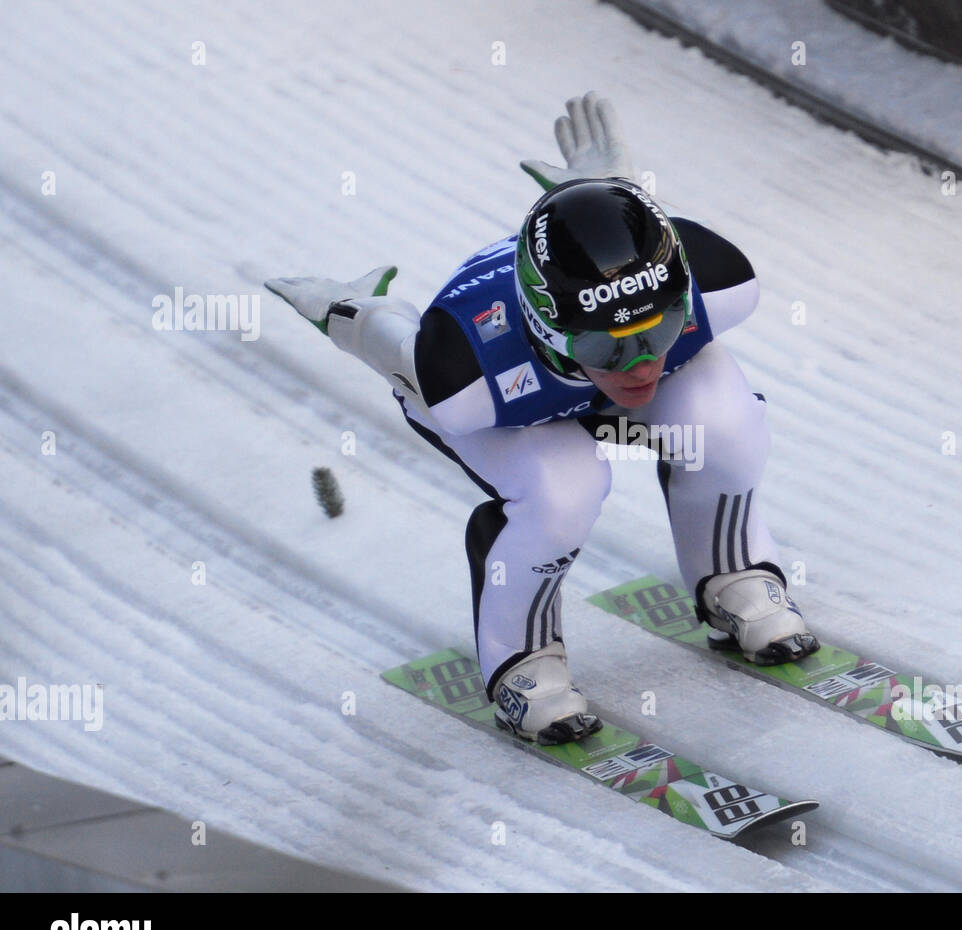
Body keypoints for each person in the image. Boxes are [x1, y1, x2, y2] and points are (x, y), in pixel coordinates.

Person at [266, 92, 818, 745]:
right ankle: (521, 662)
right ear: (546, 333)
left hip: (551, 379)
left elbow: (636, 257)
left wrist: (611, 195)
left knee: (724, 426)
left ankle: (736, 572)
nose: (642, 363)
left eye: (661, 325)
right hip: (514, 412)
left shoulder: (713, 283)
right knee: (564, 488)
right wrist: (348, 311)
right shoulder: (465, 375)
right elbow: (391, 340)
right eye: (608, 345)